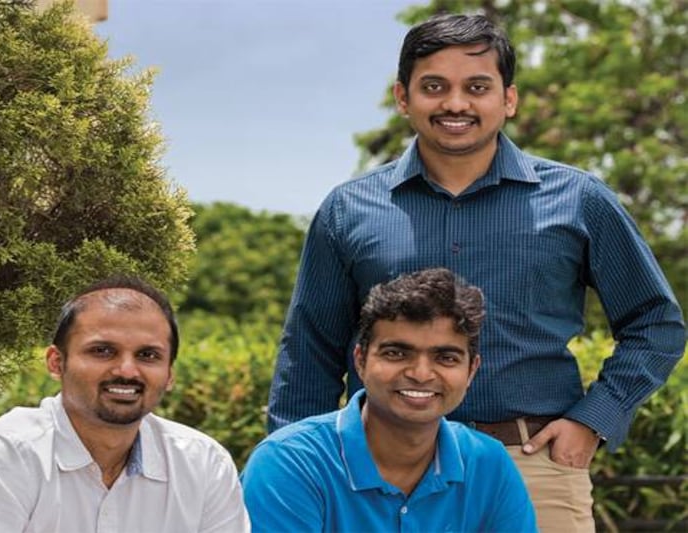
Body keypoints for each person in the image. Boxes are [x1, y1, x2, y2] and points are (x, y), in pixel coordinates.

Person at [267, 13, 686, 532]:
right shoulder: (348, 209)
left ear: (508, 99)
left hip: (530, 464)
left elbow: (655, 324)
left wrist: (594, 419)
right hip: (375, 474)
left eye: (477, 87)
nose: (455, 103)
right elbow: (310, 348)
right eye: (434, 87)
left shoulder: (579, 200)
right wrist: (292, 461)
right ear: (403, 97)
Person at [0, 276, 250, 532]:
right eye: (102, 351)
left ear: (169, 375)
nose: (127, 370)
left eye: (148, 355)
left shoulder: (202, 464)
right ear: (57, 362)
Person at [243, 269, 536, 532]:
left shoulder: (487, 462)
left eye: (446, 358)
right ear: (360, 360)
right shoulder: (290, 463)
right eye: (396, 353)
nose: (421, 374)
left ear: (471, 370)